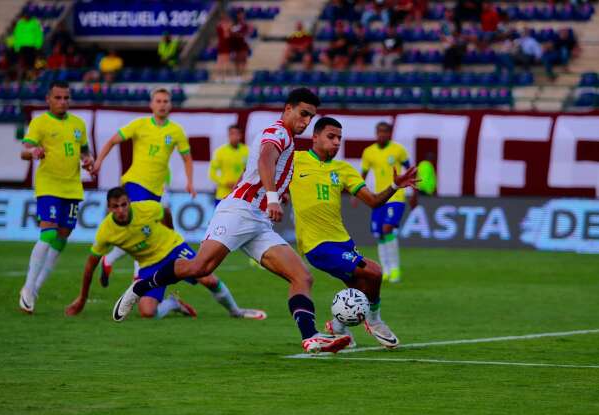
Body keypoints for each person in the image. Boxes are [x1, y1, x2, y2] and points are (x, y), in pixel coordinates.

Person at [113, 88, 352, 354]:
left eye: (311, 117)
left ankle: (311, 337)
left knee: (302, 276)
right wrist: (273, 197)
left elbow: (260, 169)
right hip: (239, 211)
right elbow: (265, 160)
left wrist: (275, 196)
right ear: (288, 109)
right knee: (199, 268)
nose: (306, 122)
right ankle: (140, 287)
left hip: (259, 221)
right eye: (303, 114)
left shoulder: (288, 140)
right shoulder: (278, 133)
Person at [289, 117, 419, 348]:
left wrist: (395, 186)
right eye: (331, 137)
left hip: (343, 241)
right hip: (316, 244)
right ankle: (374, 321)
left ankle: (337, 328)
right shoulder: (294, 161)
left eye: (339, 138)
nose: (336, 142)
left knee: (361, 286)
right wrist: (272, 197)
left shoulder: (344, 169)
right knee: (375, 272)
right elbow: (266, 170)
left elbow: (373, 201)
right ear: (315, 136)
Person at [65, 187, 267, 320]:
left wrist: (171, 232)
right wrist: (82, 298)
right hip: (149, 265)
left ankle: (235, 311)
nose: (121, 210)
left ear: (129, 202)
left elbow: (166, 212)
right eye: (115, 206)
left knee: (209, 279)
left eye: (124, 204)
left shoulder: (147, 208)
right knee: (147, 312)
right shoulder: (105, 232)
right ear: (108, 208)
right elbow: (90, 264)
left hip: (173, 249)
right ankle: (173, 303)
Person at [91, 87, 195, 284]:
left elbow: (187, 158)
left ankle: (110, 259)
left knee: (147, 231)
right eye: (158, 101)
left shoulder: (176, 131)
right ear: (151, 104)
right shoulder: (139, 125)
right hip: (135, 183)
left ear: (170, 104)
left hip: (156, 190)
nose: (162, 105)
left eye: (165, 101)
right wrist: (98, 162)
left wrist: (190, 181)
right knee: (142, 230)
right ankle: (138, 278)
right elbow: (112, 141)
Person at [19, 80, 94, 313]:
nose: (63, 102)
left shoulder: (78, 124)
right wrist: (33, 152)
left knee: (62, 238)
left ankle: (36, 288)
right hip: (49, 185)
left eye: (66, 98)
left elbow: (84, 151)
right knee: (49, 232)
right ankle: (28, 289)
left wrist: (88, 160)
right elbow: (24, 151)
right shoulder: (39, 122)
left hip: (72, 188)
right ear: (48, 99)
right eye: (58, 98)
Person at [360, 122, 414, 284]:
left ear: (390, 134)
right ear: (376, 133)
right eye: (380, 132)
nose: (382, 135)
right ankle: (386, 269)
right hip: (379, 198)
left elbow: (410, 170)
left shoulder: (398, 150)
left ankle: (395, 269)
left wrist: (414, 193)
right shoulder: (369, 152)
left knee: (387, 228)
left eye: (386, 132)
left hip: (396, 196)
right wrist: (357, 195)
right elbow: (363, 174)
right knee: (380, 234)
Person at [209, 124, 249, 206]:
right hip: (223, 194)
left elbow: (251, 171)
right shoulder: (220, 152)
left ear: (240, 135)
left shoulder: (247, 151)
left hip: (241, 195)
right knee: (219, 218)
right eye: (232, 134)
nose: (234, 136)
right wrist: (225, 182)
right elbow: (212, 173)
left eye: (237, 134)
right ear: (228, 135)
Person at [12, 12, 43, 78]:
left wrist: (38, 45)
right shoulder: (20, 24)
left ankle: (33, 77)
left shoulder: (35, 23)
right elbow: (16, 36)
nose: (26, 17)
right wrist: (16, 47)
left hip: (32, 46)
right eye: (25, 15)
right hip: (22, 47)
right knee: (23, 64)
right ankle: (24, 77)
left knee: (33, 63)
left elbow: (39, 35)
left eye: (27, 15)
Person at [216, 12, 232, 81]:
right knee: (225, 61)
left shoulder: (218, 25)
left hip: (221, 44)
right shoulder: (224, 26)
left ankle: (220, 76)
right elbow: (226, 36)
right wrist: (228, 28)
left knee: (220, 61)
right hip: (224, 44)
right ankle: (223, 77)